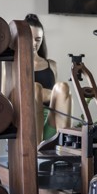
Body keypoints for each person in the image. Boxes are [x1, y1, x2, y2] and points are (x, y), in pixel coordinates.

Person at [24, 14, 72, 144]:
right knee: (35, 88)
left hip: (51, 120)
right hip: (28, 123)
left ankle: (65, 144)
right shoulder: (12, 65)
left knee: (63, 87)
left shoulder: (52, 65)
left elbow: (57, 99)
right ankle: (36, 149)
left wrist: (44, 94)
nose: (34, 43)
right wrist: (43, 93)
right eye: (30, 38)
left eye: (38, 39)